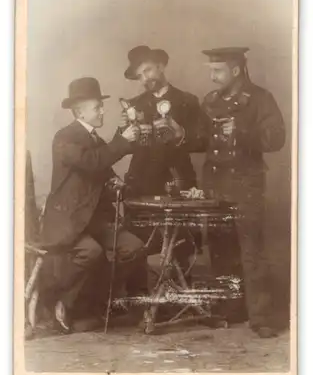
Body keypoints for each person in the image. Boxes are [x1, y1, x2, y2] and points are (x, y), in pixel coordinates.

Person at [192, 47, 286, 338]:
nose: (212, 76)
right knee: (221, 251)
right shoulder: (211, 101)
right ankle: (232, 309)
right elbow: (201, 140)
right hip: (217, 185)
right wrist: (179, 134)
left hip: (246, 186)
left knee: (252, 252)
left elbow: (277, 139)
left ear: (235, 71)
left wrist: (242, 130)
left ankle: (262, 318)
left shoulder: (260, 99)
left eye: (217, 70)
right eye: (210, 69)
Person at [40, 77, 147, 332]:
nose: (102, 111)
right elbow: (93, 162)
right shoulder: (64, 137)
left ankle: (96, 300)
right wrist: (122, 140)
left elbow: (104, 169)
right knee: (91, 252)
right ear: (79, 112)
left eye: (101, 106)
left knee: (134, 247)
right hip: (70, 220)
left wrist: (117, 183)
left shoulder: (95, 139)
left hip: (94, 220)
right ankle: (57, 299)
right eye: (97, 107)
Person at [119, 45, 202, 265]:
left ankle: (180, 296)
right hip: (142, 184)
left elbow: (204, 141)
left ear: (161, 66)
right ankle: (138, 297)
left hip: (178, 181)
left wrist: (181, 133)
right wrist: (124, 132)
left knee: (182, 249)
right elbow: (125, 146)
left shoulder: (188, 101)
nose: (145, 79)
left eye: (147, 71)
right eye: (139, 76)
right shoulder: (134, 106)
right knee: (136, 248)